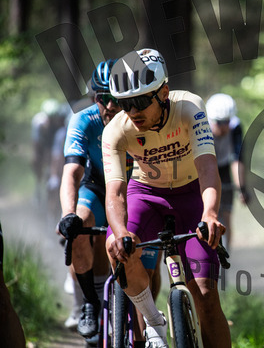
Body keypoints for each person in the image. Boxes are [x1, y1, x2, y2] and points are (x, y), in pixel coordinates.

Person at [103, 48, 231, 348]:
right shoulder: (116, 130)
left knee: (206, 295)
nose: (133, 111)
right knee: (115, 248)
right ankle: (153, 323)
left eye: (140, 102)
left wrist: (210, 213)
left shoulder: (189, 107)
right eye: (125, 104)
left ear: (163, 92)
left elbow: (207, 167)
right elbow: (116, 192)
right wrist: (120, 232)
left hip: (191, 193)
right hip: (145, 194)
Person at [57, 60, 159, 341]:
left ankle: (147, 330)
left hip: (137, 189)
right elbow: (71, 172)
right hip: (97, 188)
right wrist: (68, 214)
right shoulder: (83, 120)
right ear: (95, 98)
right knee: (79, 224)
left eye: (117, 98)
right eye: (103, 98)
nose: (111, 106)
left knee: (147, 273)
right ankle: (90, 303)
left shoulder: (139, 119)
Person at [205, 93, 249, 250]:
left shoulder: (235, 126)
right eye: (219, 122)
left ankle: (227, 253)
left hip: (223, 167)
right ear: (211, 120)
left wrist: (241, 188)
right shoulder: (202, 126)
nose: (224, 126)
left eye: (227, 122)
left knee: (227, 215)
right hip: (204, 168)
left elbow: (237, 159)